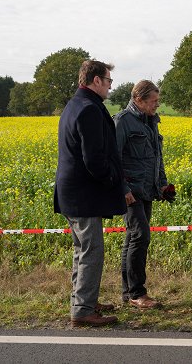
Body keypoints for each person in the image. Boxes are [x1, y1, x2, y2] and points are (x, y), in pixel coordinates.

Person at [54, 59, 126, 327]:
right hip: (83, 196)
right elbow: (94, 159)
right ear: (96, 80)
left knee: (81, 249)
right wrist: (113, 179)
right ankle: (83, 310)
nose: (109, 86)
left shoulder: (74, 105)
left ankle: (82, 300)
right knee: (92, 251)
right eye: (108, 81)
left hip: (72, 194)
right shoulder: (88, 109)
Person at [114, 80, 173, 309]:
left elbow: (157, 156)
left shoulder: (151, 121)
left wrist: (163, 185)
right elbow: (114, 159)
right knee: (141, 236)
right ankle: (138, 293)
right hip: (130, 191)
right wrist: (123, 189)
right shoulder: (123, 121)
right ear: (138, 99)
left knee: (132, 239)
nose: (157, 105)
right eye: (153, 101)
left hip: (147, 190)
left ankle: (128, 293)